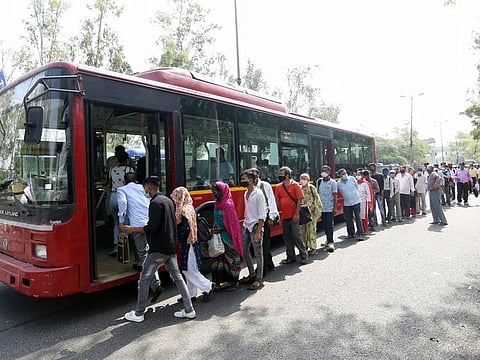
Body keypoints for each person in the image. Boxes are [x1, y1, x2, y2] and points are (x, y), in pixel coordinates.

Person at [121, 176, 196, 322]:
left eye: (145, 188)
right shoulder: (168, 201)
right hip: (170, 247)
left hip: (158, 249)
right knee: (178, 277)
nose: (145, 191)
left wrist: (132, 230)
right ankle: (189, 309)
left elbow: (151, 228)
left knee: (144, 279)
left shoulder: (155, 203)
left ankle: (138, 313)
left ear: (148, 187)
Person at [170, 187, 214, 302]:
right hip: (193, 243)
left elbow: (185, 230)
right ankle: (190, 294)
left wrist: (175, 234)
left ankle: (208, 286)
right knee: (191, 268)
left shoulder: (183, 211)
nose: (175, 201)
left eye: (176, 198)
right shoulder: (190, 207)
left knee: (188, 270)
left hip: (188, 244)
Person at [210, 181, 244, 291]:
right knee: (218, 260)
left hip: (229, 237)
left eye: (216, 191)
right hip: (220, 236)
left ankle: (234, 282)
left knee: (232, 259)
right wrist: (215, 225)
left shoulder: (228, 205)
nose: (214, 193)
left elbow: (232, 224)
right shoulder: (217, 203)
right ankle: (217, 282)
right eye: (213, 191)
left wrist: (221, 229)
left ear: (222, 191)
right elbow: (217, 218)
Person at [275, 166, 309, 264]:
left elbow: (299, 200)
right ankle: (290, 257)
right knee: (287, 237)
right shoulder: (278, 187)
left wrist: (296, 213)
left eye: (281, 174)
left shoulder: (295, 185)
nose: (279, 175)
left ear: (287, 175)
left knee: (296, 236)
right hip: (284, 216)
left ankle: (304, 255)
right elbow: (277, 200)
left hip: (294, 215)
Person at [238, 170, 266, 290]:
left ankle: (259, 279)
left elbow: (262, 215)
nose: (242, 181)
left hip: (255, 226)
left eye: (245, 179)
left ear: (251, 180)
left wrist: (258, 232)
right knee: (244, 250)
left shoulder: (258, 194)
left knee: (258, 253)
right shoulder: (246, 193)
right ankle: (252, 273)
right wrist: (244, 225)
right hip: (247, 225)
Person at [253, 167, 279, 276]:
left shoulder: (265, 186)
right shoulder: (250, 188)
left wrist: (271, 217)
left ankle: (262, 270)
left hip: (265, 217)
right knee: (263, 243)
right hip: (255, 218)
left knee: (264, 244)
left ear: (258, 175)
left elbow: (271, 201)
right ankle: (269, 263)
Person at [108, 151, 135, 256]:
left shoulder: (112, 169)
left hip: (114, 196)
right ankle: (124, 248)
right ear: (127, 160)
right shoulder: (129, 170)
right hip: (125, 197)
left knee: (116, 222)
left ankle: (116, 245)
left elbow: (110, 184)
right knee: (126, 222)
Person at [336, 168, 365, 240]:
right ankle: (350, 233)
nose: (344, 175)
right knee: (348, 219)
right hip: (347, 203)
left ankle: (360, 233)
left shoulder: (352, 179)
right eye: (342, 174)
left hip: (356, 201)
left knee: (358, 218)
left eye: (345, 173)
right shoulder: (338, 183)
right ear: (339, 175)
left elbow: (357, 187)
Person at [299, 173, 323, 255]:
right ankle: (304, 247)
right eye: (302, 178)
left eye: (305, 178)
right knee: (302, 231)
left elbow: (317, 200)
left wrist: (314, 208)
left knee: (311, 231)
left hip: (311, 213)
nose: (303, 180)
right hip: (302, 213)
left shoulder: (312, 188)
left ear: (308, 180)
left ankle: (313, 248)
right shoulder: (299, 188)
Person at [317, 165, 337, 252]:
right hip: (321, 208)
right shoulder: (319, 181)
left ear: (329, 172)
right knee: (324, 225)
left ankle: (331, 242)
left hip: (329, 207)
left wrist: (335, 207)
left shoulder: (333, 183)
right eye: (322, 170)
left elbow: (335, 196)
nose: (323, 172)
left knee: (329, 225)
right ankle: (327, 239)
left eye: (325, 170)